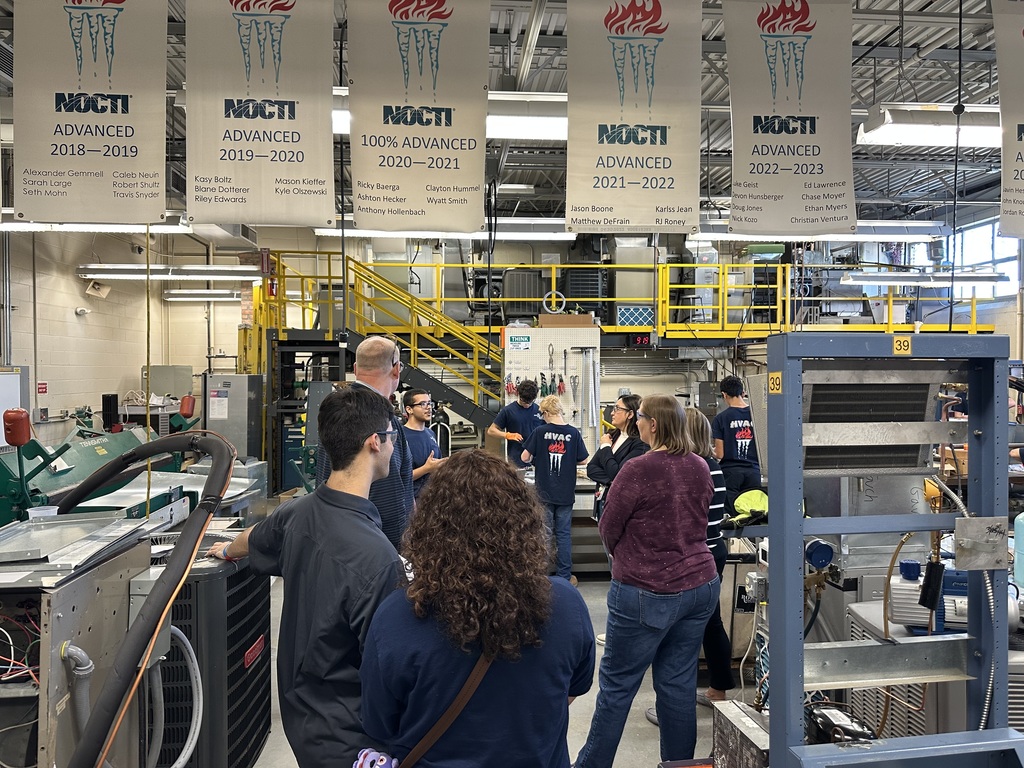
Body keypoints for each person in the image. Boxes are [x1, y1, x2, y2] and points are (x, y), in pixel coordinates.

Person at [208, 386, 406, 768]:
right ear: (373, 444)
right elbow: (391, 675)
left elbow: (252, 539)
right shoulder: (378, 559)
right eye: (392, 438)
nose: (394, 447)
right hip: (353, 739)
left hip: (304, 719)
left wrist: (226, 549)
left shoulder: (296, 513)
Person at [359, 450, 595, 767]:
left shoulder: (397, 617)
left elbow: (380, 725)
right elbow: (569, 691)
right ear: (526, 523)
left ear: (428, 526)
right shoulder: (566, 605)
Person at [575, 394, 719, 768]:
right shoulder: (700, 466)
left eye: (638, 417)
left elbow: (608, 527)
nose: (635, 421)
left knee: (618, 686)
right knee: (677, 684)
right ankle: (678, 764)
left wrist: (626, 558)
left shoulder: (639, 468)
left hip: (647, 590)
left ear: (652, 424)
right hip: (700, 585)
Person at [646, 408, 732, 728]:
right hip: (713, 552)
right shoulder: (712, 465)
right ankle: (717, 689)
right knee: (710, 623)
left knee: (678, 634)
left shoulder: (693, 469)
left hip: (693, 558)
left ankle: (674, 708)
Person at [315, 336, 414, 551]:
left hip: (335, 539)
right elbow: (393, 497)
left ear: (356, 368)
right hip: (378, 550)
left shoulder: (336, 410)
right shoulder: (384, 423)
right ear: (396, 369)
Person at [521, 395, 589, 584]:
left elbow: (525, 457)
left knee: (545, 533)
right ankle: (565, 576)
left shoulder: (540, 431)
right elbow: (583, 459)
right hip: (566, 493)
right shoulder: (573, 433)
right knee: (564, 535)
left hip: (544, 493)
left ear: (546, 413)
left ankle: (543, 576)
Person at [587, 393, 648, 522]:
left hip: (621, 506)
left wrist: (606, 448)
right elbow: (591, 468)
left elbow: (617, 473)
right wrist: (613, 481)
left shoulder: (639, 443)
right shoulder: (611, 436)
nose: (612, 413)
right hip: (603, 500)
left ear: (630, 414)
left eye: (617, 409)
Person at [711, 375, 762, 516]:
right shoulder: (757, 416)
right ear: (743, 393)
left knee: (732, 518)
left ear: (724, 394)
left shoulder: (720, 419)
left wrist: (708, 450)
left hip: (730, 474)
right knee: (753, 516)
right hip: (754, 472)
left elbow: (719, 454)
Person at [487, 378, 542, 467]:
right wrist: (507, 435)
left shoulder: (540, 410)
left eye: (530, 402)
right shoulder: (508, 411)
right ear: (518, 394)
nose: (527, 405)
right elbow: (491, 430)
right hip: (516, 460)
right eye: (524, 402)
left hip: (537, 459)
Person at [402, 388, 446, 498]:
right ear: (409, 409)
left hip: (431, 498)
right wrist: (426, 469)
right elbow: (398, 478)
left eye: (430, 403)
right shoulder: (401, 436)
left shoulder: (430, 433)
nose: (429, 407)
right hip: (411, 500)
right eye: (422, 404)